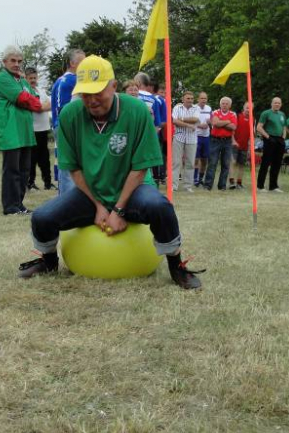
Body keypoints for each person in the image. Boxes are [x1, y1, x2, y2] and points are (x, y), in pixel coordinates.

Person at [18, 55, 204, 289]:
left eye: (98, 92)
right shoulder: (69, 115)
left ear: (114, 86)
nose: (92, 100)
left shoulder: (137, 111)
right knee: (42, 217)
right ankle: (49, 261)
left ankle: (177, 266)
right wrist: (98, 206)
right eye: (86, 93)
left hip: (134, 189)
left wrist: (117, 210)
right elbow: (73, 167)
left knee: (161, 207)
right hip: (91, 192)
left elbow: (140, 168)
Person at [0, 46, 42, 215]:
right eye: (13, 60)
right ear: (4, 61)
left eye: (19, 61)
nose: (16, 64)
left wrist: (34, 101)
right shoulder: (2, 78)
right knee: (12, 170)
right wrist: (38, 105)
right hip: (11, 131)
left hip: (25, 131)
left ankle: (19, 204)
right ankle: (10, 206)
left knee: (24, 170)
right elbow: (23, 98)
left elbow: (34, 97)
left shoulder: (21, 81)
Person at [51, 48, 86, 194]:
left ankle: (66, 198)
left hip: (63, 127)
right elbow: (63, 110)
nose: (85, 66)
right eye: (82, 62)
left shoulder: (63, 80)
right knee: (70, 165)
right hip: (67, 128)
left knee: (67, 164)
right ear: (72, 63)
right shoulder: (70, 80)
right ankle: (67, 200)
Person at [25, 67, 54, 191]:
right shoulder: (25, 90)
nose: (33, 80)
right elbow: (35, 106)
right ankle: (30, 183)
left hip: (43, 129)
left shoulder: (41, 90)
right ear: (26, 78)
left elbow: (50, 104)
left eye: (34, 78)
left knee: (45, 159)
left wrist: (41, 107)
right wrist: (42, 107)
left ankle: (48, 183)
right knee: (32, 158)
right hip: (32, 130)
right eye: (30, 78)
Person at [202, 97, 236, 191]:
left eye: (226, 103)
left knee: (225, 164)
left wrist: (221, 123)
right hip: (215, 140)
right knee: (212, 163)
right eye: (223, 103)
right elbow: (215, 123)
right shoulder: (215, 112)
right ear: (220, 104)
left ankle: (222, 186)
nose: (224, 105)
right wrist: (227, 122)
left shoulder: (233, 114)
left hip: (227, 141)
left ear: (230, 105)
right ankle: (208, 185)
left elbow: (233, 127)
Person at [171, 91, 200, 192]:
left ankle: (187, 186)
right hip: (179, 137)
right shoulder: (177, 108)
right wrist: (188, 125)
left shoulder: (196, 108)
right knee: (176, 162)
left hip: (192, 139)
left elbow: (195, 119)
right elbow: (174, 121)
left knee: (190, 163)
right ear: (183, 99)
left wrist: (182, 119)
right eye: (188, 98)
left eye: (192, 99)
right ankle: (173, 185)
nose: (190, 100)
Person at [256, 97, 287, 192]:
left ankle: (273, 186)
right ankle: (260, 186)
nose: (277, 104)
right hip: (269, 139)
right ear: (271, 103)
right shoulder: (266, 113)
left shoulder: (282, 114)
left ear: (281, 104)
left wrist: (283, 137)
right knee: (266, 163)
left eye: (279, 103)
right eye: (275, 103)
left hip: (279, 140)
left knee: (277, 163)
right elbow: (259, 127)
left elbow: (284, 127)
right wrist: (268, 137)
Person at [230, 102, 252, 189]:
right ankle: (232, 182)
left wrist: (250, 147)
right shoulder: (237, 116)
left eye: (250, 108)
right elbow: (232, 130)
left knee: (241, 164)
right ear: (244, 108)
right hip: (235, 144)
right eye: (247, 108)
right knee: (233, 162)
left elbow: (251, 135)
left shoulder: (252, 119)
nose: (248, 110)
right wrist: (233, 140)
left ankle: (239, 183)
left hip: (245, 146)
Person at [193, 91, 212, 186]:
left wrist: (209, 122)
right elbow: (192, 121)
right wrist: (199, 125)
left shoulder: (209, 108)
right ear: (198, 99)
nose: (203, 100)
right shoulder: (194, 108)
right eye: (202, 98)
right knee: (196, 159)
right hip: (196, 136)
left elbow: (211, 121)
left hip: (206, 136)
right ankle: (195, 179)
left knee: (204, 160)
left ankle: (200, 178)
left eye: (205, 98)